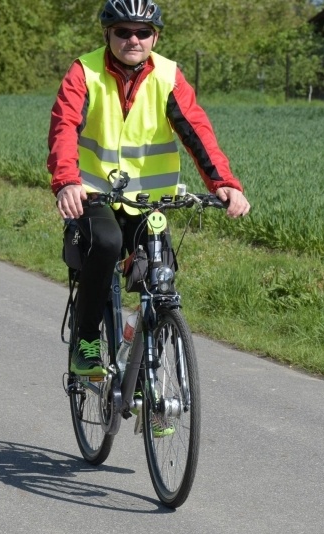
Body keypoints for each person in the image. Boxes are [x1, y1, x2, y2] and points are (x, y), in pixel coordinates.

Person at [48, 0, 250, 377]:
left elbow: (196, 132)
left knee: (158, 274)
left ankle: (140, 360)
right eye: (123, 31)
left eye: (143, 32)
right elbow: (64, 128)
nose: (134, 39)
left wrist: (224, 183)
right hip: (93, 191)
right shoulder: (85, 71)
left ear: (155, 37)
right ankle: (87, 340)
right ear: (107, 34)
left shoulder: (168, 76)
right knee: (106, 243)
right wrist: (67, 182)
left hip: (149, 199)